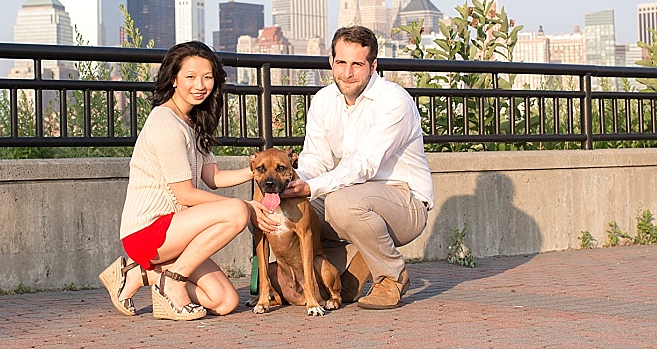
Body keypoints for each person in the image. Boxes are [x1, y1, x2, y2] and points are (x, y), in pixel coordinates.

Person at [99, 41, 278, 321]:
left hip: (176, 231)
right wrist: (246, 207)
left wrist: (259, 170)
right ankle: (173, 281)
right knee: (238, 211)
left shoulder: (192, 122)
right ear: (173, 79)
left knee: (224, 301)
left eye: (207, 77)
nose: (200, 85)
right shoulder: (166, 123)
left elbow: (213, 178)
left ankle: (138, 274)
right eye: (190, 77)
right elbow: (185, 195)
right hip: (147, 232)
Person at [282, 25, 434, 310]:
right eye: (341, 63)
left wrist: (313, 187)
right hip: (352, 197)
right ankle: (334, 271)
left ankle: (392, 277)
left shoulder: (393, 101)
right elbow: (316, 160)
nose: (347, 73)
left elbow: (364, 164)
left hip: (404, 201)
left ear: (373, 66)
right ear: (331, 61)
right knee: (288, 204)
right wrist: (294, 183)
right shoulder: (324, 100)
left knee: (341, 202)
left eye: (357, 64)